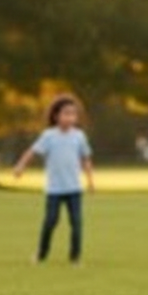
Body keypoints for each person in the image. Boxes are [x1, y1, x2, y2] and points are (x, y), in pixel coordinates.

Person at [12, 94, 95, 264]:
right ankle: (41, 253)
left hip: (74, 188)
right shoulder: (49, 136)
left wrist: (90, 180)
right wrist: (20, 166)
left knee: (76, 223)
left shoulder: (79, 136)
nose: (70, 117)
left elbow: (86, 158)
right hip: (55, 189)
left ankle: (75, 257)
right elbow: (32, 152)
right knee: (50, 221)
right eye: (66, 113)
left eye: (73, 114)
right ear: (56, 116)